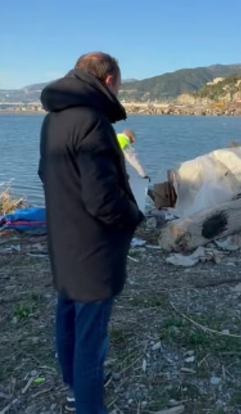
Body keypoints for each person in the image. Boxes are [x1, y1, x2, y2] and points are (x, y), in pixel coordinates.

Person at [39, 52, 145, 414]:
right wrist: (133, 215)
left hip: (64, 238)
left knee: (67, 314)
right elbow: (103, 200)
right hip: (93, 249)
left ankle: (74, 388)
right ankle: (88, 405)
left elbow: (47, 175)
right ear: (110, 80)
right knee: (91, 335)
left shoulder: (54, 120)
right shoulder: (93, 122)